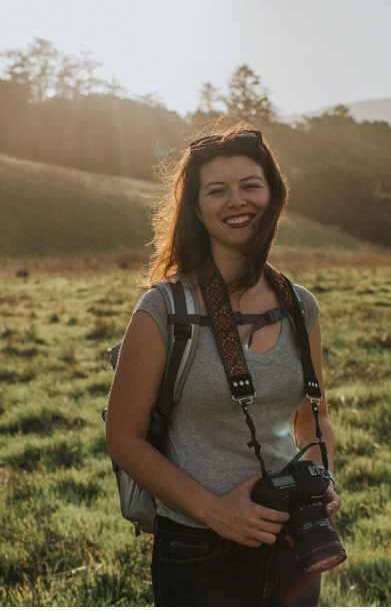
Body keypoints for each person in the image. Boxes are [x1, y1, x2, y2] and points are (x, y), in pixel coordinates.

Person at [104, 124, 341, 606]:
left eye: (250, 185)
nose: (237, 200)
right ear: (197, 208)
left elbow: (312, 421)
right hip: (197, 549)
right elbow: (122, 437)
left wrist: (319, 487)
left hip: (293, 542)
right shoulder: (165, 309)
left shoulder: (301, 307)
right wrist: (215, 512)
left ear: (274, 194)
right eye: (217, 190)